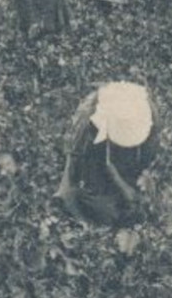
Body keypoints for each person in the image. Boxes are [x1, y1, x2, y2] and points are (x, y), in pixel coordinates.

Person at [56, 82, 160, 228]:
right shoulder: (88, 122)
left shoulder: (147, 116)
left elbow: (149, 163)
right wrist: (82, 220)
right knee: (105, 210)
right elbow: (66, 188)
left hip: (125, 170)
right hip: (99, 177)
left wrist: (133, 189)